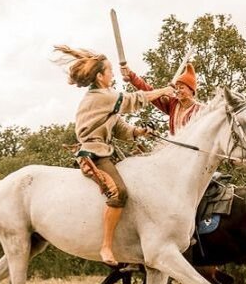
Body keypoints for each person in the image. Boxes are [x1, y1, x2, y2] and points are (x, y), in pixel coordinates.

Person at [55, 45, 173, 265]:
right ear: (100, 76)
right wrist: (164, 90)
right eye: (109, 71)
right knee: (119, 193)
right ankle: (106, 247)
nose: (112, 75)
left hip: (105, 151)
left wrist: (139, 132)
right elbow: (134, 100)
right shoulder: (101, 97)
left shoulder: (105, 99)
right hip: (94, 153)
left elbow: (121, 128)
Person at [122, 61, 202, 135]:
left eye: (181, 88)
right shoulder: (173, 104)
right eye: (176, 88)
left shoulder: (201, 109)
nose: (177, 91)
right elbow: (149, 91)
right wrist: (132, 76)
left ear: (191, 90)